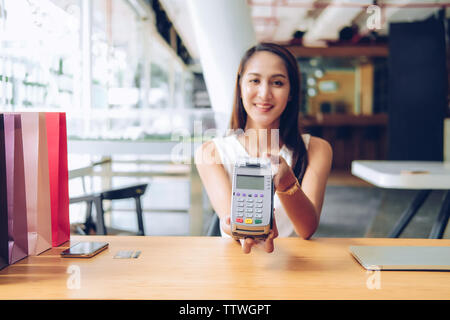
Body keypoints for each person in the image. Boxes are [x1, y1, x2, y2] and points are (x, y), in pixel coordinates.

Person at [195, 42, 332, 254]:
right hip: (236, 266)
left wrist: (287, 185)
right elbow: (229, 219)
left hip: (296, 269)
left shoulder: (316, 149)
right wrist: (231, 226)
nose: (264, 93)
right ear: (240, 87)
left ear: (291, 92)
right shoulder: (210, 153)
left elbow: (307, 229)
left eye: (277, 83)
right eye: (255, 81)